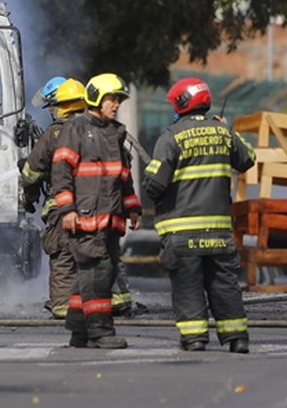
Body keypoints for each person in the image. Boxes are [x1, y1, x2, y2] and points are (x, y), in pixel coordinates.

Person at [143, 77, 255, 353]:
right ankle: (237, 338)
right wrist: (227, 131)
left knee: (187, 286)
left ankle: (194, 338)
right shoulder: (223, 133)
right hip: (219, 233)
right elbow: (248, 158)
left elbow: (154, 185)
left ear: (181, 104)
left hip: (183, 233)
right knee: (224, 285)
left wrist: (149, 182)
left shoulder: (171, 137)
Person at [50, 73, 141, 349]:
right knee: (98, 275)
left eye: (118, 100)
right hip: (86, 219)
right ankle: (101, 331)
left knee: (92, 274)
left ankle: (79, 331)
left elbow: (123, 177)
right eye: (112, 99)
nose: (116, 104)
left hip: (111, 219)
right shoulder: (76, 129)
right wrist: (67, 209)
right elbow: (61, 173)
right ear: (96, 99)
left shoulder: (115, 133)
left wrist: (132, 208)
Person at [21, 77, 87, 319]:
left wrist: (27, 197)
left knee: (62, 257)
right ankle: (113, 301)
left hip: (62, 205)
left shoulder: (54, 133)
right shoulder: (99, 129)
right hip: (95, 204)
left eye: (53, 106)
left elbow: (31, 174)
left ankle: (62, 306)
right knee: (98, 255)